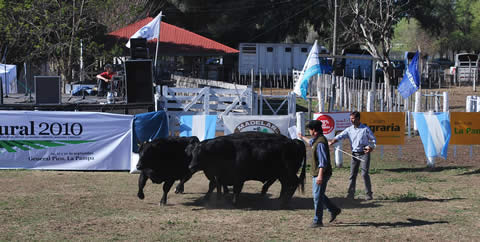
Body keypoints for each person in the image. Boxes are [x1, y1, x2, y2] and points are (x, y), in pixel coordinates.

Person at [298, 120, 341, 228]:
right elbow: (311, 142)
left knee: (317, 197)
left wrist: (320, 175)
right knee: (319, 195)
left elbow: (323, 161)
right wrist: (302, 137)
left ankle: (317, 220)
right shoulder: (317, 140)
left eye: (310, 130)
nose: (309, 132)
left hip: (321, 173)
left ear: (314, 130)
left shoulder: (320, 143)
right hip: (318, 172)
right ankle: (334, 209)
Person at [328, 111, 377, 200]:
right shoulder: (349, 129)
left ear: (358, 119)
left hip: (364, 154)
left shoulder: (365, 129)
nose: (351, 120)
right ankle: (350, 194)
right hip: (354, 154)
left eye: (353, 118)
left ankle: (369, 194)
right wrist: (332, 141)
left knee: (364, 174)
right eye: (350, 119)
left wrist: (371, 147)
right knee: (352, 175)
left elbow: (373, 140)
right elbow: (340, 136)